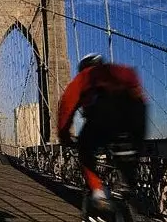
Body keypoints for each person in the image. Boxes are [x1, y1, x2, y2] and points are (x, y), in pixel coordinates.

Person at [57, 53, 147, 211]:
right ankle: (129, 185)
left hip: (104, 116)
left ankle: (98, 193)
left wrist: (64, 137)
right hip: (136, 113)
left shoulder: (84, 76)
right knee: (130, 151)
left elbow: (66, 108)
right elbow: (140, 95)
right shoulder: (119, 70)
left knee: (85, 151)